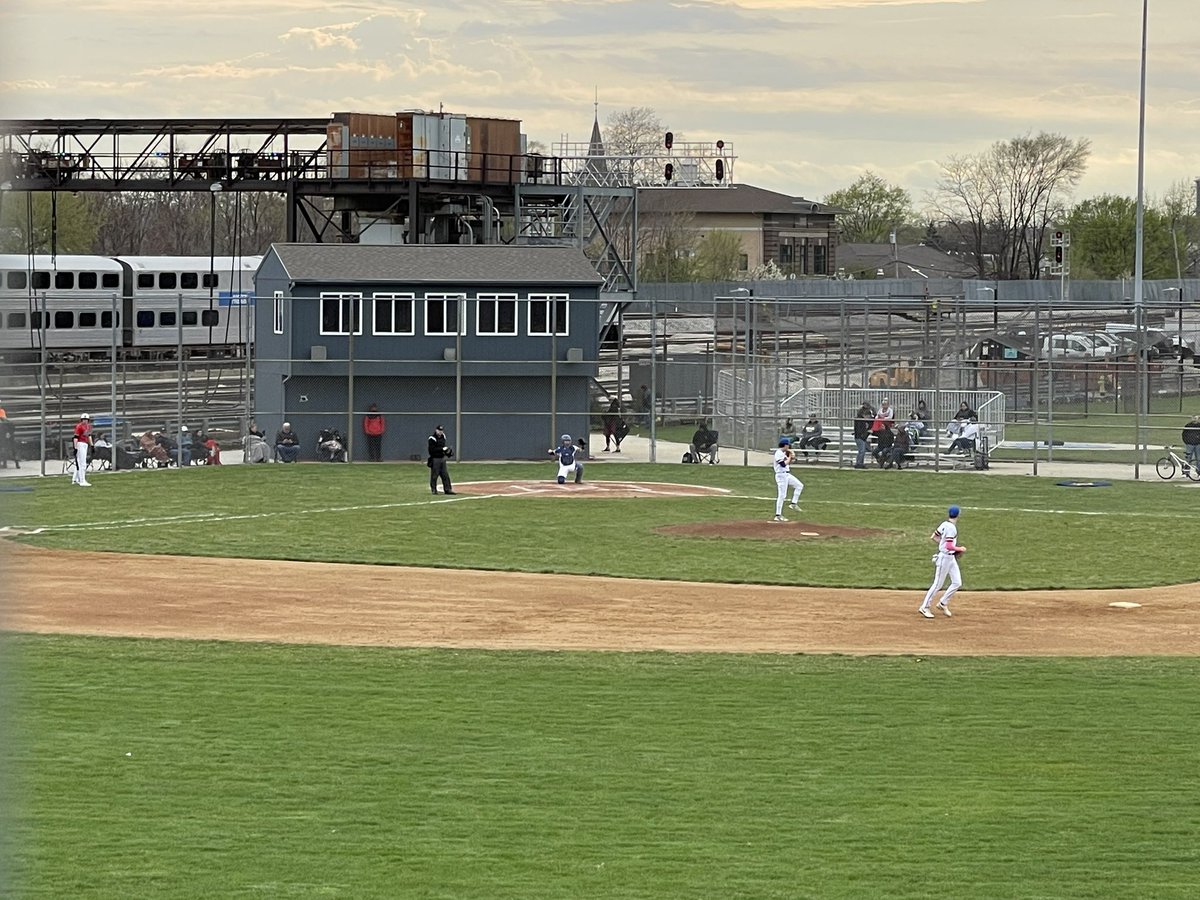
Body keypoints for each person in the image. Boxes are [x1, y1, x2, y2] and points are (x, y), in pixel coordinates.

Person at [919, 506, 965, 618]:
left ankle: (943, 603)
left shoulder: (944, 524)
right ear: (958, 515)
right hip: (944, 559)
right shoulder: (952, 528)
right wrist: (960, 549)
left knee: (957, 582)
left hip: (950, 558)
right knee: (937, 585)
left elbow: (934, 537)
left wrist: (943, 546)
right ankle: (924, 607)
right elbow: (949, 545)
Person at [772, 437, 804, 522]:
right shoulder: (778, 453)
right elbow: (783, 464)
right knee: (782, 495)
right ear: (785, 445)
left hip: (787, 474)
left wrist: (792, 457)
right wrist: (790, 457)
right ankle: (778, 515)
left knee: (799, 485)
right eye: (788, 444)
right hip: (781, 475)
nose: (789, 446)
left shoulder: (784, 452)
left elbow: (789, 462)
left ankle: (793, 504)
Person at [428, 424, 455, 494]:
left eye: (441, 431)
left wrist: (448, 453)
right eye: (439, 430)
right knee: (434, 475)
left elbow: (444, 447)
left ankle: (448, 489)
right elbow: (431, 450)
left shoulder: (443, 437)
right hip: (435, 458)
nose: (440, 432)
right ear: (436, 430)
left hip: (442, 459)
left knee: (445, 475)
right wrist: (442, 449)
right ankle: (434, 489)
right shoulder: (432, 438)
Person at [71, 412, 93, 486]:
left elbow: (89, 436)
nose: (85, 421)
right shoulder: (79, 426)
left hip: (85, 444)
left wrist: (92, 445)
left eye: (86, 419)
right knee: (82, 463)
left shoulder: (89, 426)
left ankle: (75, 479)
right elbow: (75, 438)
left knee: (80, 463)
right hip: (80, 443)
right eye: (84, 419)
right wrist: (75, 448)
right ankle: (82, 481)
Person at [853, 403, 873, 469]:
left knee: (862, 450)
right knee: (862, 450)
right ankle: (859, 463)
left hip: (860, 437)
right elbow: (860, 431)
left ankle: (859, 463)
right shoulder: (860, 420)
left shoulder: (862, 420)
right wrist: (867, 432)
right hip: (859, 437)